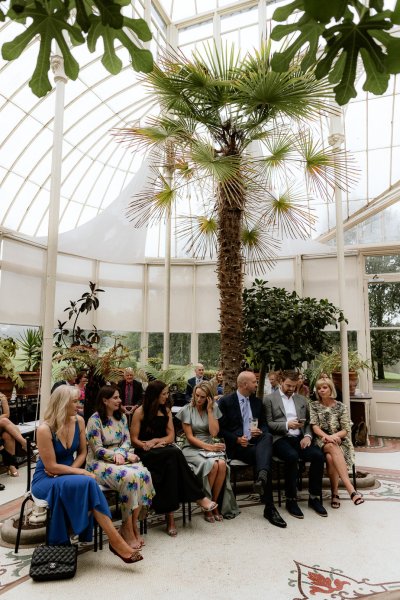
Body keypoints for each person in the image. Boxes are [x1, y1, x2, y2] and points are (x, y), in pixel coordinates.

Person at [32, 385, 142, 564]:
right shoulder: (45, 429)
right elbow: (51, 467)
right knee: (89, 482)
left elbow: (83, 453)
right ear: (62, 403)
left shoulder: (79, 421)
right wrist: (80, 472)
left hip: (68, 473)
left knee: (86, 482)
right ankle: (117, 542)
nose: (79, 405)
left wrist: (75, 471)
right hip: (46, 479)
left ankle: (116, 542)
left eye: (79, 401)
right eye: (75, 401)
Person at [130, 380, 219, 537]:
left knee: (171, 464)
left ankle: (171, 518)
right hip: (146, 452)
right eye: (164, 394)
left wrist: (158, 441)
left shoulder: (166, 410)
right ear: (155, 396)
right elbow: (134, 439)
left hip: (163, 449)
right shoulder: (140, 412)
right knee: (174, 454)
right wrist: (147, 444)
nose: (167, 396)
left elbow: (171, 436)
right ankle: (199, 497)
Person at [86, 386, 155, 549]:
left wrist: (122, 454)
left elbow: (127, 441)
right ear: (105, 400)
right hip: (99, 462)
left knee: (143, 473)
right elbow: (97, 449)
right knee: (129, 478)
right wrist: (116, 456)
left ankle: (130, 525)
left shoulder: (122, 417)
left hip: (120, 457)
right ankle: (127, 526)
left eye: (119, 397)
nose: (120, 400)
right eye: (116, 398)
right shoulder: (94, 420)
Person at [218, 371, 286, 528]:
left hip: (256, 444)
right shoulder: (226, 402)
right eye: (254, 382)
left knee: (267, 437)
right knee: (265, 458)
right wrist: (236, 439)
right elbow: (219, 429)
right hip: (238, 447)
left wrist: (260, 431)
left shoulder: (257, 402)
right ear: (244, 384)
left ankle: (261, 478)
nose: (257, 384)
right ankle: (269, 507)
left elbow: (263, 425)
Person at [264, 370, 327, 520]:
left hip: (299, 438)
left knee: (318, 455)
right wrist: (286, 425)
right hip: (280, 438)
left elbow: (307, 423)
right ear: (280, 382)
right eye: (288, 385)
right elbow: (269, 424)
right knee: (291, 457)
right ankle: (291, 499)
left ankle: (314, 497)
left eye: (293, 386)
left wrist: (307, 436)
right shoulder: (269, 399)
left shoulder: (301, 400)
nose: (291, 389)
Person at [176, 382, 239, 522]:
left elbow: (214, 433)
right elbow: (190, 438)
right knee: (212, 464)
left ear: (209, 398)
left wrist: (210, 411)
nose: (199, 399)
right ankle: (207, 505)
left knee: (221, 464)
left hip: (210, 444)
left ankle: (213, 504)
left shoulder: (213, 408)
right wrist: (209, 447)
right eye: (197, 395)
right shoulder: (187, 409)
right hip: (191, 447)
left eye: (202, 397)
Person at [310, 377, 364, 507]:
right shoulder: (314, 405)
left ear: (331, 389)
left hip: (340, 440)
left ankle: (335, 493)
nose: (321, 390)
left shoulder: (341, 406)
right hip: (321, 440)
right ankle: (350, 488)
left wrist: (334, 436)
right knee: (331, 447)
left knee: (330, 458)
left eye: (324, 387)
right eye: (319, 388)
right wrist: (327, 437)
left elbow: (346, 429)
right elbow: (314, 426)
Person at [0, 391, 32, 479]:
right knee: (4, 422)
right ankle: (24, 443)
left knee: (8, 435)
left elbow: (6, 414)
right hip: (2, 422)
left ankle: (11, 465)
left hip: (1, 425)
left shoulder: (1, 396)